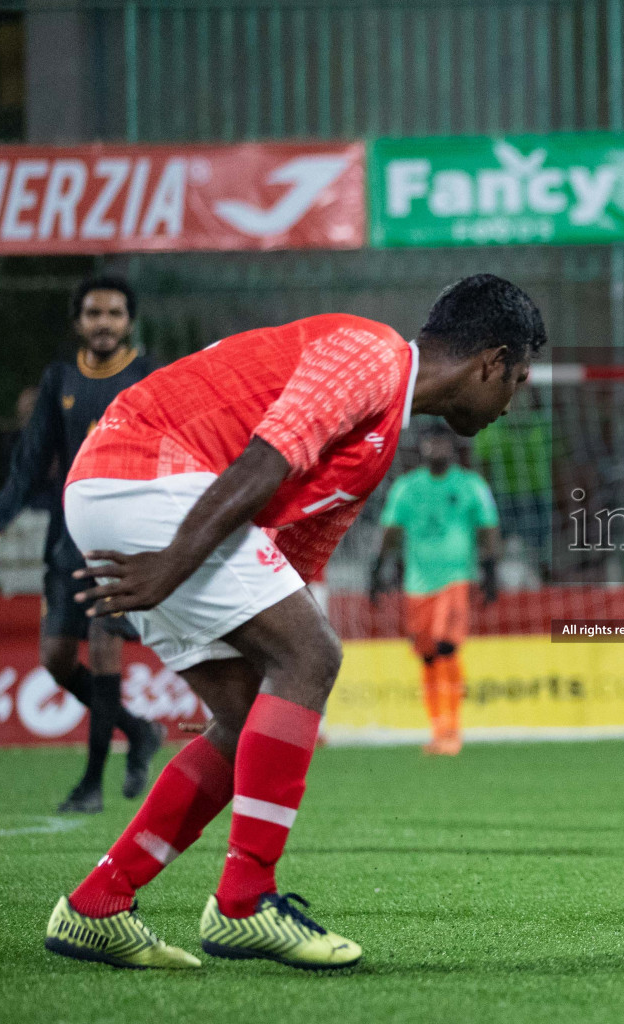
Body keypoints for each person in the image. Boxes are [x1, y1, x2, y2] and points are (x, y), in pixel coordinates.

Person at [42, 274, 547, 971]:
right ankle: (245, 902)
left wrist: (278, 693)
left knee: (251, 706)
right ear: (490, 361)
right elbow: (263, 459)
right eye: (516, 380)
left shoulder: (379, 438)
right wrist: (171, 569)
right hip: (149, 478)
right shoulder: (369, 353)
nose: (511, 403)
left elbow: (287, 557)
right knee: (312, 657)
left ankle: (100, 900)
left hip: (141, 493)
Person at [0, 276, 163, 814]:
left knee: (103, 647)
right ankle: (137, 731)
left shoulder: (148, 377)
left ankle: (91, 785)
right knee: (54, 659)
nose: (104, 323)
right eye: (94, 313)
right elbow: (27, 468)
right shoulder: (60, 379)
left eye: (115, 314)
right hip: (68, 537)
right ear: (78, 321)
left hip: (122, 537)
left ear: (129, 322)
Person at [371, 422, 500, 755]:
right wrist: (377, 571)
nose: (436, 449)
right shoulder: (405, 488)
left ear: (452, 447)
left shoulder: (471, 486)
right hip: (417, 584)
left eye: (442, 443)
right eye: (430, 443)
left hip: (456, 579)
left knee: (447, 647)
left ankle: (452, 730)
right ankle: (437, 728)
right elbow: (391, 533)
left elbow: (487, 530)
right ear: (421, 448)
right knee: (428, 655)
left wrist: (491, 571)